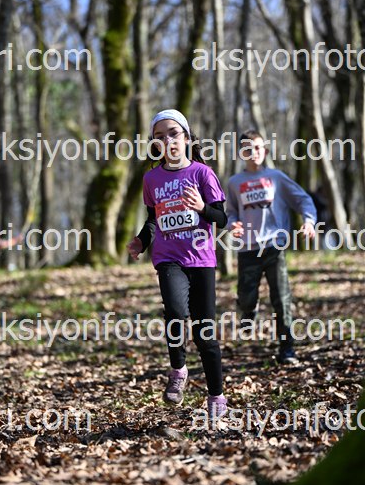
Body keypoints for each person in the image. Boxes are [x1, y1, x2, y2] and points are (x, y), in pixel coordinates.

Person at [127, 109, 228, 418]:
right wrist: (141, 241)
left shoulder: (202, 173)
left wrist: (201, 207)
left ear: (186, 138)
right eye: (159, 136)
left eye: (173, 133)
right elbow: (153, 219)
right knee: (174, 311)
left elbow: (221, 218)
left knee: (204, 334)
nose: (167, 140)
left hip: (201, 260)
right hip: (168, 258)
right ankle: (179, 369)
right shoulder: (151, 178)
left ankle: (216, 396)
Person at [226, 129, 317, 364]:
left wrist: (309, 221)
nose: (253, 153)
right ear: (241, 153)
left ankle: (287, 349)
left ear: (265, 151)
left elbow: (303, 199)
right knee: (246, 297)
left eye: (257, 148)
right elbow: (231, 212)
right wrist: (232, 223)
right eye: (247, 149)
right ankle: (249, 309)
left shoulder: (276, 177)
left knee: (281, 298)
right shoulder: (235, 182)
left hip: (274, 245)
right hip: (247, 248)